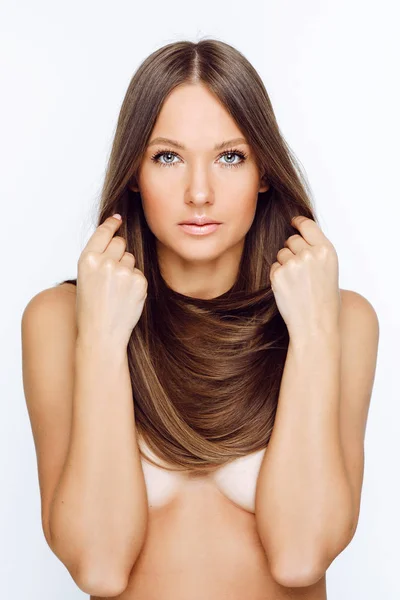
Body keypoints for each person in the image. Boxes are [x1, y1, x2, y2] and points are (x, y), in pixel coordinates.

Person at [21, 39, 379, 599]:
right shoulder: (59, 319)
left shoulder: (342, 320)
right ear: (134, 173)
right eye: (168, 156)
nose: (199, 192)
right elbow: (99, 566)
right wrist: (101, 338)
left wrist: (310, 336)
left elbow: (300, 554)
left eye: (230, 156)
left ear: (264, 171)